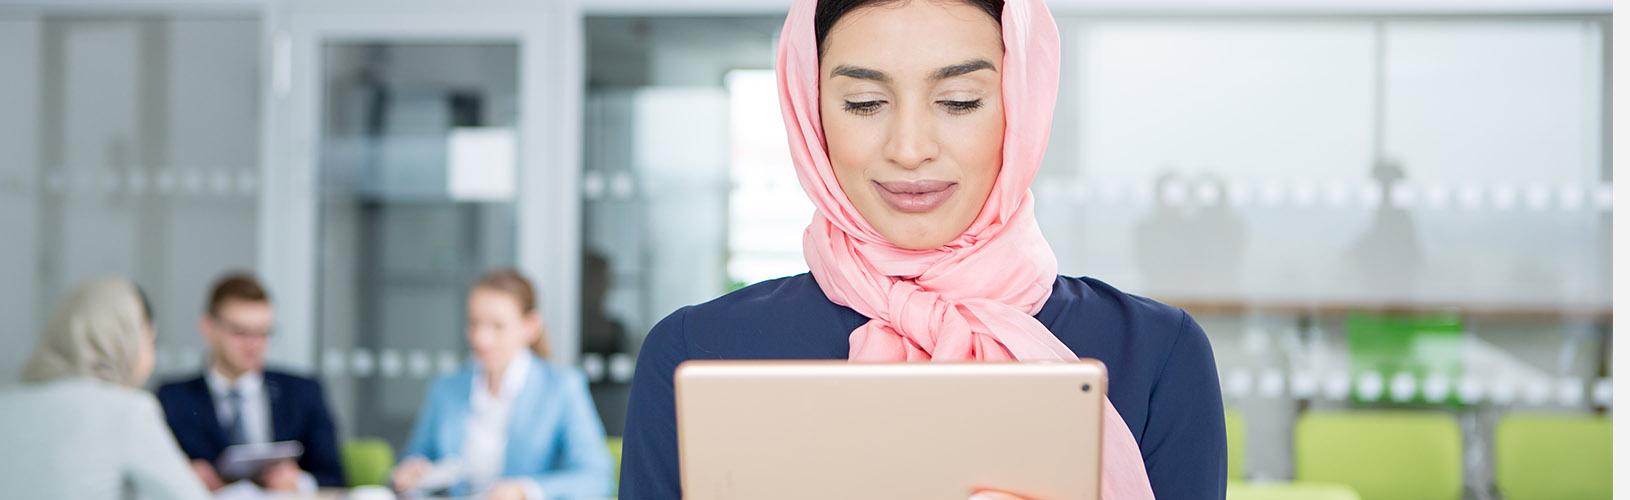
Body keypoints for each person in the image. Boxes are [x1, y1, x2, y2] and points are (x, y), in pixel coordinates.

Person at [618, 0, 1226, 499]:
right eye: (864, 103)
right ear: (811, 115)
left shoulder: (1157, 354)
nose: (909, 148)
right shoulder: (695, 352)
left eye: (959, 101)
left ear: (1023, 105)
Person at [391, 269, 614, 500]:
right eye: (474, 323)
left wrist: (525, 491)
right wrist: (411, 471)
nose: (480, 338)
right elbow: (416, 457)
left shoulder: (562, 388)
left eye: (497, 326)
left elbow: (596, 479)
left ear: (530, 326)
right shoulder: (446, 388)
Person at [0, 277, 211, 500]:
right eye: (149, 340)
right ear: (124, 341)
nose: (151, 356)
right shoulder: (126, 410)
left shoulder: (6, 404)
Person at [155, 272, 345, 491]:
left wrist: (300, 482)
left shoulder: (303, 392)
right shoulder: (172, 398)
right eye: (241, 332)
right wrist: (182, 476)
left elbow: (334, 476)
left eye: (263, 332)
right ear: (208, 327)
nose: (253, 344)